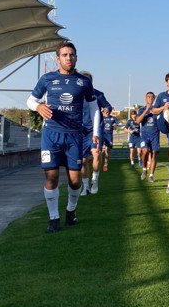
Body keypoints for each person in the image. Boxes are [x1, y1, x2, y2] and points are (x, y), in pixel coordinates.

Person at [27, 42, 99, 233]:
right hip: (51, 135)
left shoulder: (83, 82)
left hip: (74, 137)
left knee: (75, 180)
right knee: (51, 177)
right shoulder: (48, 79)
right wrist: (38, 107)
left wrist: (96, 132)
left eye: (72, 55)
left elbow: (94, 108)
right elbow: (31, 100)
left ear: (76, 57)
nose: (69, 58)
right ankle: (53, 219)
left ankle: (70, 211)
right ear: (58, 58)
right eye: (65, 55)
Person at [79, 74, 111, 196]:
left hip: (95, 129)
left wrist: (107, 109)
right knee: (83, 161)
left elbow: (107, 105)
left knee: (96, 154)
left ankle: (95, 181)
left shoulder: (98, 94)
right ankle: (85, 186)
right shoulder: (76, 95)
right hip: (81, 131)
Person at [135, 92, 160, 182]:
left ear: (154, 99)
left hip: (155, 135)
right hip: (144, 135)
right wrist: (146, 111)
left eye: (152, 97)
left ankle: (151, 175)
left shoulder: (157, 110)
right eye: (148, 97)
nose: (150, 98)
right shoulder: (142, 109)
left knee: (153, 154)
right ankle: (144, 170)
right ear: (145, 99)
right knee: (145, 151)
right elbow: (137, 121)